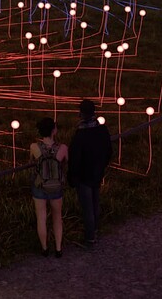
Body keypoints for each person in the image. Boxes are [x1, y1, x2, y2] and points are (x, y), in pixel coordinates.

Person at [68, 99, 111, 245]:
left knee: (87, 206)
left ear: (81, 113)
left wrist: (73, 177)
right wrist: (102, 165)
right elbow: (108, 150)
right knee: (95, 201)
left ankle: (90, 236)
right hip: (97, 172)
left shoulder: (80, 135)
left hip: (84, 176)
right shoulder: (102, 129)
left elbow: (75, 158)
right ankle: (96, 229)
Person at [31, 117, 67, 257]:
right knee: (57, 217)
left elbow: (32, 162)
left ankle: (44, 248)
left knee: (41, 218)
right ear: (54, 130)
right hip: (56, 186)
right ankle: (58, 249)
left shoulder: (34, 147)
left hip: (40, 186)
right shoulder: (62, 148)